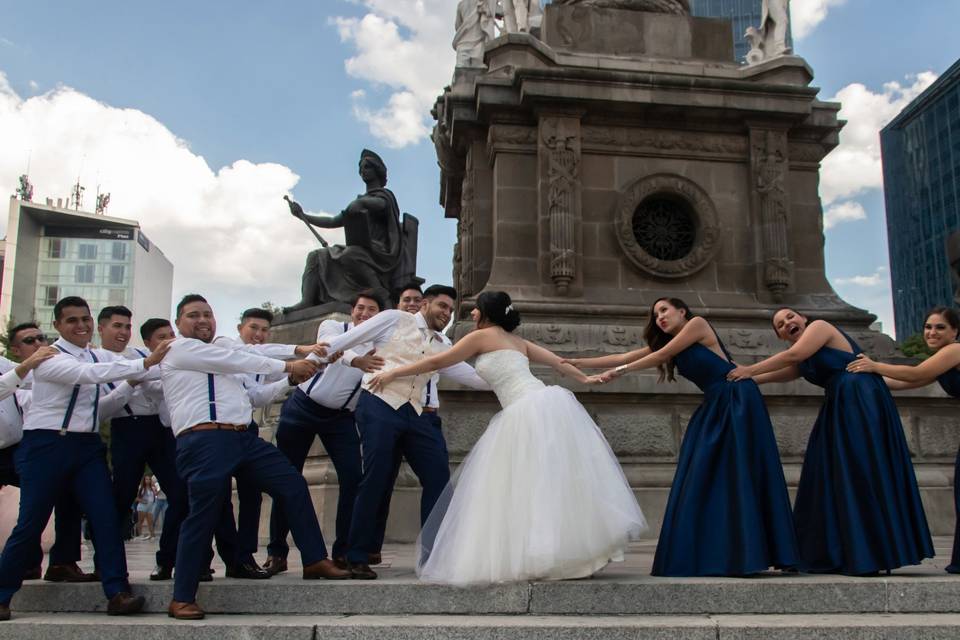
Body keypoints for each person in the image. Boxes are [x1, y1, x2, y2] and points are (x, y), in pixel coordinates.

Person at [368, 291, 646, 585]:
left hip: (524, 409)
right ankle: (562, 553)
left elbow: (439, 361)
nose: (472, 314)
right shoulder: (518, 342)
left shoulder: (482, 337)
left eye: (476, 310)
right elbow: (558, 362)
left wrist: (394, 372)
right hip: (541, 403)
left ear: (487, 312)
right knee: (546, 484)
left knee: (531, 485)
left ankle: (549, 554)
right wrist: (584, 379)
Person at [568, 298, 799, 576]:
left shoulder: (697, 325)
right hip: (716, 402)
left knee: (740, 470)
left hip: (736, 399)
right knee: (706, 472)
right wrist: (577, 361)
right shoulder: (671, 343)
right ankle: (724, 551)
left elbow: (654, 358)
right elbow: (623, 356)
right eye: (655, 315)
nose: (659, 318)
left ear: (682, 311)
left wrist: (616, 374)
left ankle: (752, 551)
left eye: (664, 310)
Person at [162, 294, 349, 621]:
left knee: (292, 483)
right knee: (202, 515)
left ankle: (314, 559)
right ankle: (182, 597)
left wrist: (291, 372)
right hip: (204, 439)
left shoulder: (226, 352)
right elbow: (243, 358)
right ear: (179, 323)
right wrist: (290, 362)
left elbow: (254, 389)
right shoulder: (179, 349)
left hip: (242, 437)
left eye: (207, 313)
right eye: (193, 315)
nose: (203, 320)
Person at [0, 296, 171, 621]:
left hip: (87, 446)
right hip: (46, 445)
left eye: (85, 319)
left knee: (105, 518)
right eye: (72, 321)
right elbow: (90, 374)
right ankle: (2, 594)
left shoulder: (96, 355)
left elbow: (111, 378)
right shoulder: (49, 356)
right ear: (58, 326)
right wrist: (143, 365)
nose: (81, 326)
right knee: (31, 523)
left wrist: (157, 365)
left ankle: (117, 592)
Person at [727, 307, 934, 575]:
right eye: (780, 324)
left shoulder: (820, 327)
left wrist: (747, 368)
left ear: (804, 319)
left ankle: (872, 553)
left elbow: (793, 355)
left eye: (790, 317)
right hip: (840, 403)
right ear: (780, 335)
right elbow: (780, 372)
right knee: (827, 473)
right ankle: (839, 552)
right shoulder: (805, 359)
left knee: (860, 469)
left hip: (858, 397)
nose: (787, 322)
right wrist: (741, 379)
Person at [317, 284, 491, 580]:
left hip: (418, 414)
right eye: (442, 306)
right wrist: (350, 360)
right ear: (425, 304)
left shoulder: (442, 343)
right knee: (375, 477)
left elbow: (470, 376)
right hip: (379, 403)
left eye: (450, 310)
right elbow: (341, 341)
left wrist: (513, 380)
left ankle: (434, 556)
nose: (446, 314)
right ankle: (355, 555)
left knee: (438, 481)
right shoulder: (392, 319)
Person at [265, 291, 384, 575]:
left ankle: (343, 551)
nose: (364, 314)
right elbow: (332, 348)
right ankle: (277, 552)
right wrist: (356, 362)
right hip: (302, 408)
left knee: (354, 477)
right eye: (360, 308)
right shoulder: (333, 327)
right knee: (287, 477)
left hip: (342, 418)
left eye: (372, 310)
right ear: (352, 310)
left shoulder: (382, 345)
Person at [846, 306, 960, 573]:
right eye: (928, 327)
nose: (931, 332)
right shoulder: (943, 359)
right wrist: (864, 378)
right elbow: (901, 383)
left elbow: (915, 374)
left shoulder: (954, 350)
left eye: (940, 327)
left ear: (955, 331)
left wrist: (874, 364)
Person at [94, 307, 189, 581]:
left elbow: (165, 385)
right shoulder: (96, 362)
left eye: (126, 326)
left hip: (159, 429)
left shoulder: (141, 355)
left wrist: (146, 373)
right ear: (102, 329)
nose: (123, 332)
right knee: (120, 499)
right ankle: (107, 564)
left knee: (181, 493)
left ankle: (168, 560)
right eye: (116, 326)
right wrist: (132, 381)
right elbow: (103, 409)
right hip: (127, 428)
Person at [0, 337, 69, 581]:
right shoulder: (14, 367)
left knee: (33, 504)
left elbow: (36, 377)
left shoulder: (3, 363)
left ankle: (31, 564)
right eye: (30, 340)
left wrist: (73, 359)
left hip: (14, 448)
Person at [134, 476, 156, 540]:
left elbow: (155, 495)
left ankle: (152, 535)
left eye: (149, 479)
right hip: (142, 506)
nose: (148, 480)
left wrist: (155, 488)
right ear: (144, 480)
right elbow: (136, 498)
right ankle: (139, 534)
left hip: (150, 506)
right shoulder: (141, 488)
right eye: (146, 479)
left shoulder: (152, 488)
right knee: (140, 521)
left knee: (150, 521)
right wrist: (142, 501)